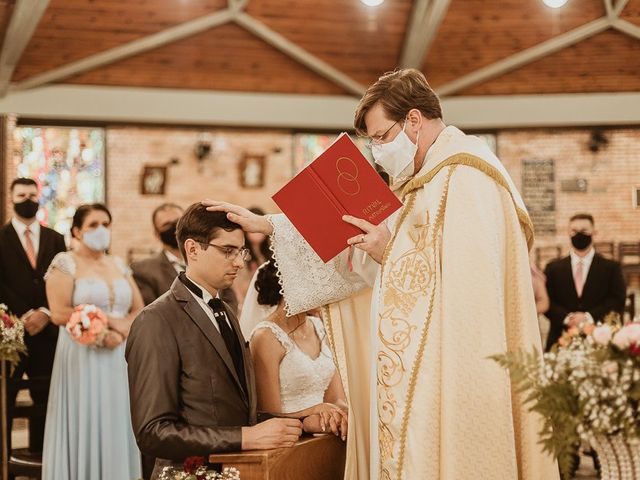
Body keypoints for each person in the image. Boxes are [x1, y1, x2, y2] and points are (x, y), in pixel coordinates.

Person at [205, 69, 559, 479]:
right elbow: (363, 256)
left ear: (413, 119)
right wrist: (270, 225)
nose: (375, 152)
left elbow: (468, 286)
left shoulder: (466, 177)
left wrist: (388, 250)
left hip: (456, 373)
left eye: (380, 137)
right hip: (424, 370)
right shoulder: (423, 184)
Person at [126, 204, 315, 479]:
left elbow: (235, 413)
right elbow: (153, 433)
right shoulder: (156, 320)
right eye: (227, 251)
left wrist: (304, 419)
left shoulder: (224, 311)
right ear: (192, 249)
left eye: (241, 251)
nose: (238, 262)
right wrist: (245, 438)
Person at [42, 203, 143, 479]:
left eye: (106, 224)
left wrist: (122, 331)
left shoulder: (118, 264)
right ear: (77, 230)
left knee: (115, 418)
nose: (102, 230)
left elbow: (138, 308)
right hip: (81, 353)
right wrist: (107, 326)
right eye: (94, 225)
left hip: (118, 354)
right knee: (85, 419)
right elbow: (60, 312)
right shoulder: (64, 263)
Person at [0, 178, 66, 455]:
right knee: (6, 401)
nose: (27, 199)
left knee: (48, 401)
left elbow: (63, 279)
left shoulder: (55, 238)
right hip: (11, 335)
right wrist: (25, 314)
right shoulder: (1, 238)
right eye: (21, 195)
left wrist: (46, 312)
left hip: (48, 333)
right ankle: (5, 459)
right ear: (11, 198)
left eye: (32, 194)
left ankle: (42, 458)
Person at [248, 259, 347, 439]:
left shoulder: (320, 326)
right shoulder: (266, 336)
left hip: (324, 436)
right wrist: (313, 413)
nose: (326, 291)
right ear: (293, 284)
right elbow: (268, 415)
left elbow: (335, 400)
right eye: (318, 283)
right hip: (288, 440)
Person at [131, 203, 238, 317]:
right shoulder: (144, 270)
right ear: (157, 234)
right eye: (166, 224)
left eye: (177, 221)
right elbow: (151, 311)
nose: (174, 227)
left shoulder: (208, 258)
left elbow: (228, 296)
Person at [544, 213, 626, 351]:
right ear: (568, 233)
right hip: (559, 340)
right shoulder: (553, 268)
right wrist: (567, 318)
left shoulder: (611, 267)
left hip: (600, 340)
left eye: (584, 231)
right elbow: (547, 301)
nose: (578, 235)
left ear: (594, 232)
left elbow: (617, 299)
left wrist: (588, 317)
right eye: (574, 231)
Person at [232, 206, 271, 312]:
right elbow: (236, 283)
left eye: (260, 227)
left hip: (266, 303)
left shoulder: (269, 253)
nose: (257, 231)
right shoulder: (241, 253)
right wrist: (240, 303)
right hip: (245, 303)